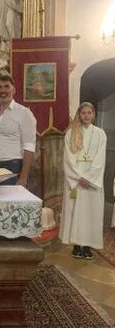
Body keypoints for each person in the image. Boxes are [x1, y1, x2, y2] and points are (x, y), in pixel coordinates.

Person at [59, 102, 107, 260]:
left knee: (90, 213)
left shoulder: (100, 134)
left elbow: (100, 158)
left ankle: (87, 246)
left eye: (89, 112)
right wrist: (78, 177)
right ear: (79, 115)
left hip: (92, 182)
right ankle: (76, 245)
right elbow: (68, 157)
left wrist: (89, 177)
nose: (86, 115)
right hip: (75, 181)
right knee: (75, 212)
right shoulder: (71, 133)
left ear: (94, 114)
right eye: (83, 113)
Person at [0, 75, 36, 186]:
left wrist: (23, 177)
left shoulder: (24, 113)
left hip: (12, 167)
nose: (3, 90)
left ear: (13, 90)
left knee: (9, 198)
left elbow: (29, 147)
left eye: (6, 86)